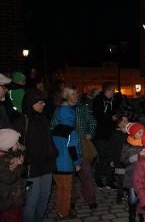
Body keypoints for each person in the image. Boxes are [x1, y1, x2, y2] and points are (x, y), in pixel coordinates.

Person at [12, 88, 57, 222]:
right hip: (31, 170)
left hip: (47, 167)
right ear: (30, 103)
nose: (43, 104)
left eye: (43, 102)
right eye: (40, 102)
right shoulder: (21, 122)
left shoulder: (44, 119)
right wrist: (24, 157)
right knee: (31, 203)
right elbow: (12, 145)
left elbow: (49, 140)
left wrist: (54, 152)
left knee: (44, 200)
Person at [50, 85, 82, 220]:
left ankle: (60, 211)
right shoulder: (71, 131)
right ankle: (63, 213)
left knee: (60, 189)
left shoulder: (54, 130)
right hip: (66, 165)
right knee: (66, 191)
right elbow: (72, 148)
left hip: (55, 165)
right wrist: (77, 163)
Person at [93, 82, 116, 189]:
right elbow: (98, 116)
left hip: (109, 134)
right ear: (108, 90)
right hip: (100, 135)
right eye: (113, 90)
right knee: (100, 158)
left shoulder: (112, 101)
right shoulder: (98, 100)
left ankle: (109, 181)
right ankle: (97, 179)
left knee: (110, 158)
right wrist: (110, 118)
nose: (114, 93)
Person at [121, 122, 145, 222]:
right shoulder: (127, 146)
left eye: (143, 132)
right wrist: (133, 158)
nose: (142, 134)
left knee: (143, 198)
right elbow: (123, 160)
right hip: (132, 176)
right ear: (133, 133)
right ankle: (131, 216)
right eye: (139, 132)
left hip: (144, 177)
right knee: (133, 199)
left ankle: (141, 216)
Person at [0, 128, 25, 222]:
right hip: (8, 201)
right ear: (8, 146)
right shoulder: (3, 161)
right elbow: (9, 179)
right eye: (16, 143)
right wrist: (19, 166)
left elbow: (23, 149)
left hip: (11, 199)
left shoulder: (9, 154)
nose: (19, 145)